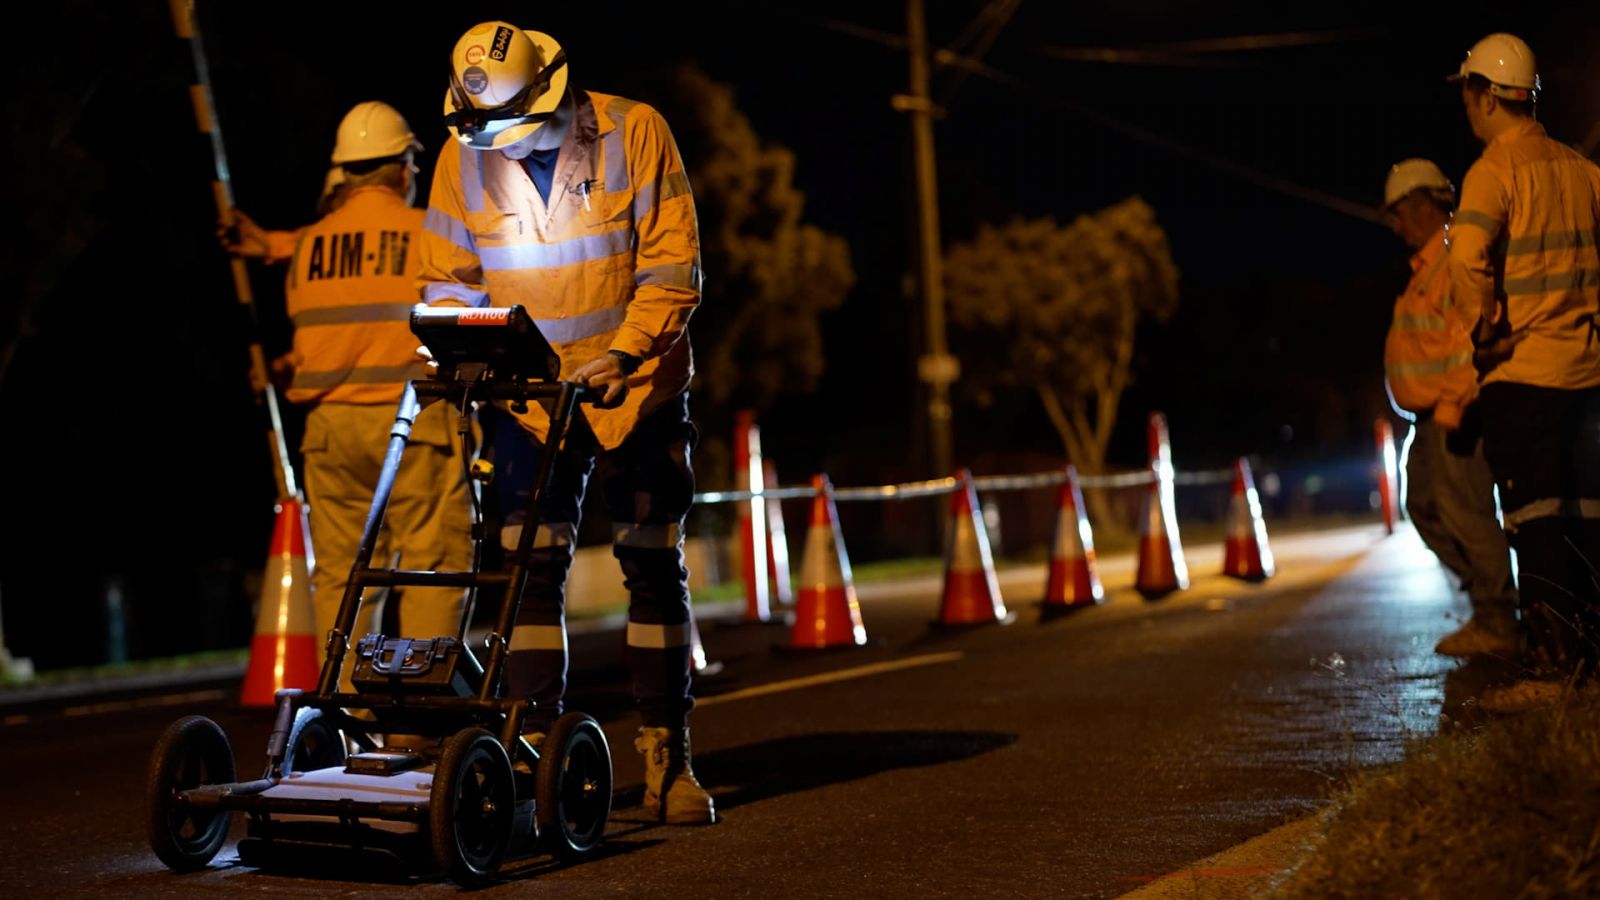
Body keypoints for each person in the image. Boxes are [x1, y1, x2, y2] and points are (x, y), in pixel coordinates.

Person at [416, 21, 714, 825]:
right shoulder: (463, 154)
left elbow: (671, 268)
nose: (501, 148)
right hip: (531, 400)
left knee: (651, 561)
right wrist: (455, 345)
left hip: (635, 387)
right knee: (527, 571)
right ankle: (539, 751)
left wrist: (622, 354)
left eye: (513, 129)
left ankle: (666, 758)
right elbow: (446, 278)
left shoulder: (635, 131)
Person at [235, 101, 475, 684]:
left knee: (342, 577)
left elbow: (333, 332)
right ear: (401, 168)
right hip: (411, 424)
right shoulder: (429, 235)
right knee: (431, 568)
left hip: (330, 434)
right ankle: (414, 718)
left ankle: (349, 719)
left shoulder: (305, 248)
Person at [1446, 33, 1600, 711]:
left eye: (1467, 93)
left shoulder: (1493, 171)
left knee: (1535, 518)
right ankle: (1588, 662)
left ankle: (1551, 667)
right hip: (1589, 371)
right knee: (1585, 514)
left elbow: (1467, 256)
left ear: (1483, 97)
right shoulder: (1582, 171)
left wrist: (1485, 330)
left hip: (1526, 372)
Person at [1379, 159, 1519, 659]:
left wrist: (1454, 405)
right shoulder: (1426, 265)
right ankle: (1491, 599)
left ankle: (1499, 618)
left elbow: (1467, 339)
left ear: (1422, 205)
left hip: (1452, 411)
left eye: (1397, 213)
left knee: (1467, 513)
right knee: (1425, 506)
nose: (1394, 225)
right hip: (1429, 418)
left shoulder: (1452, 257)